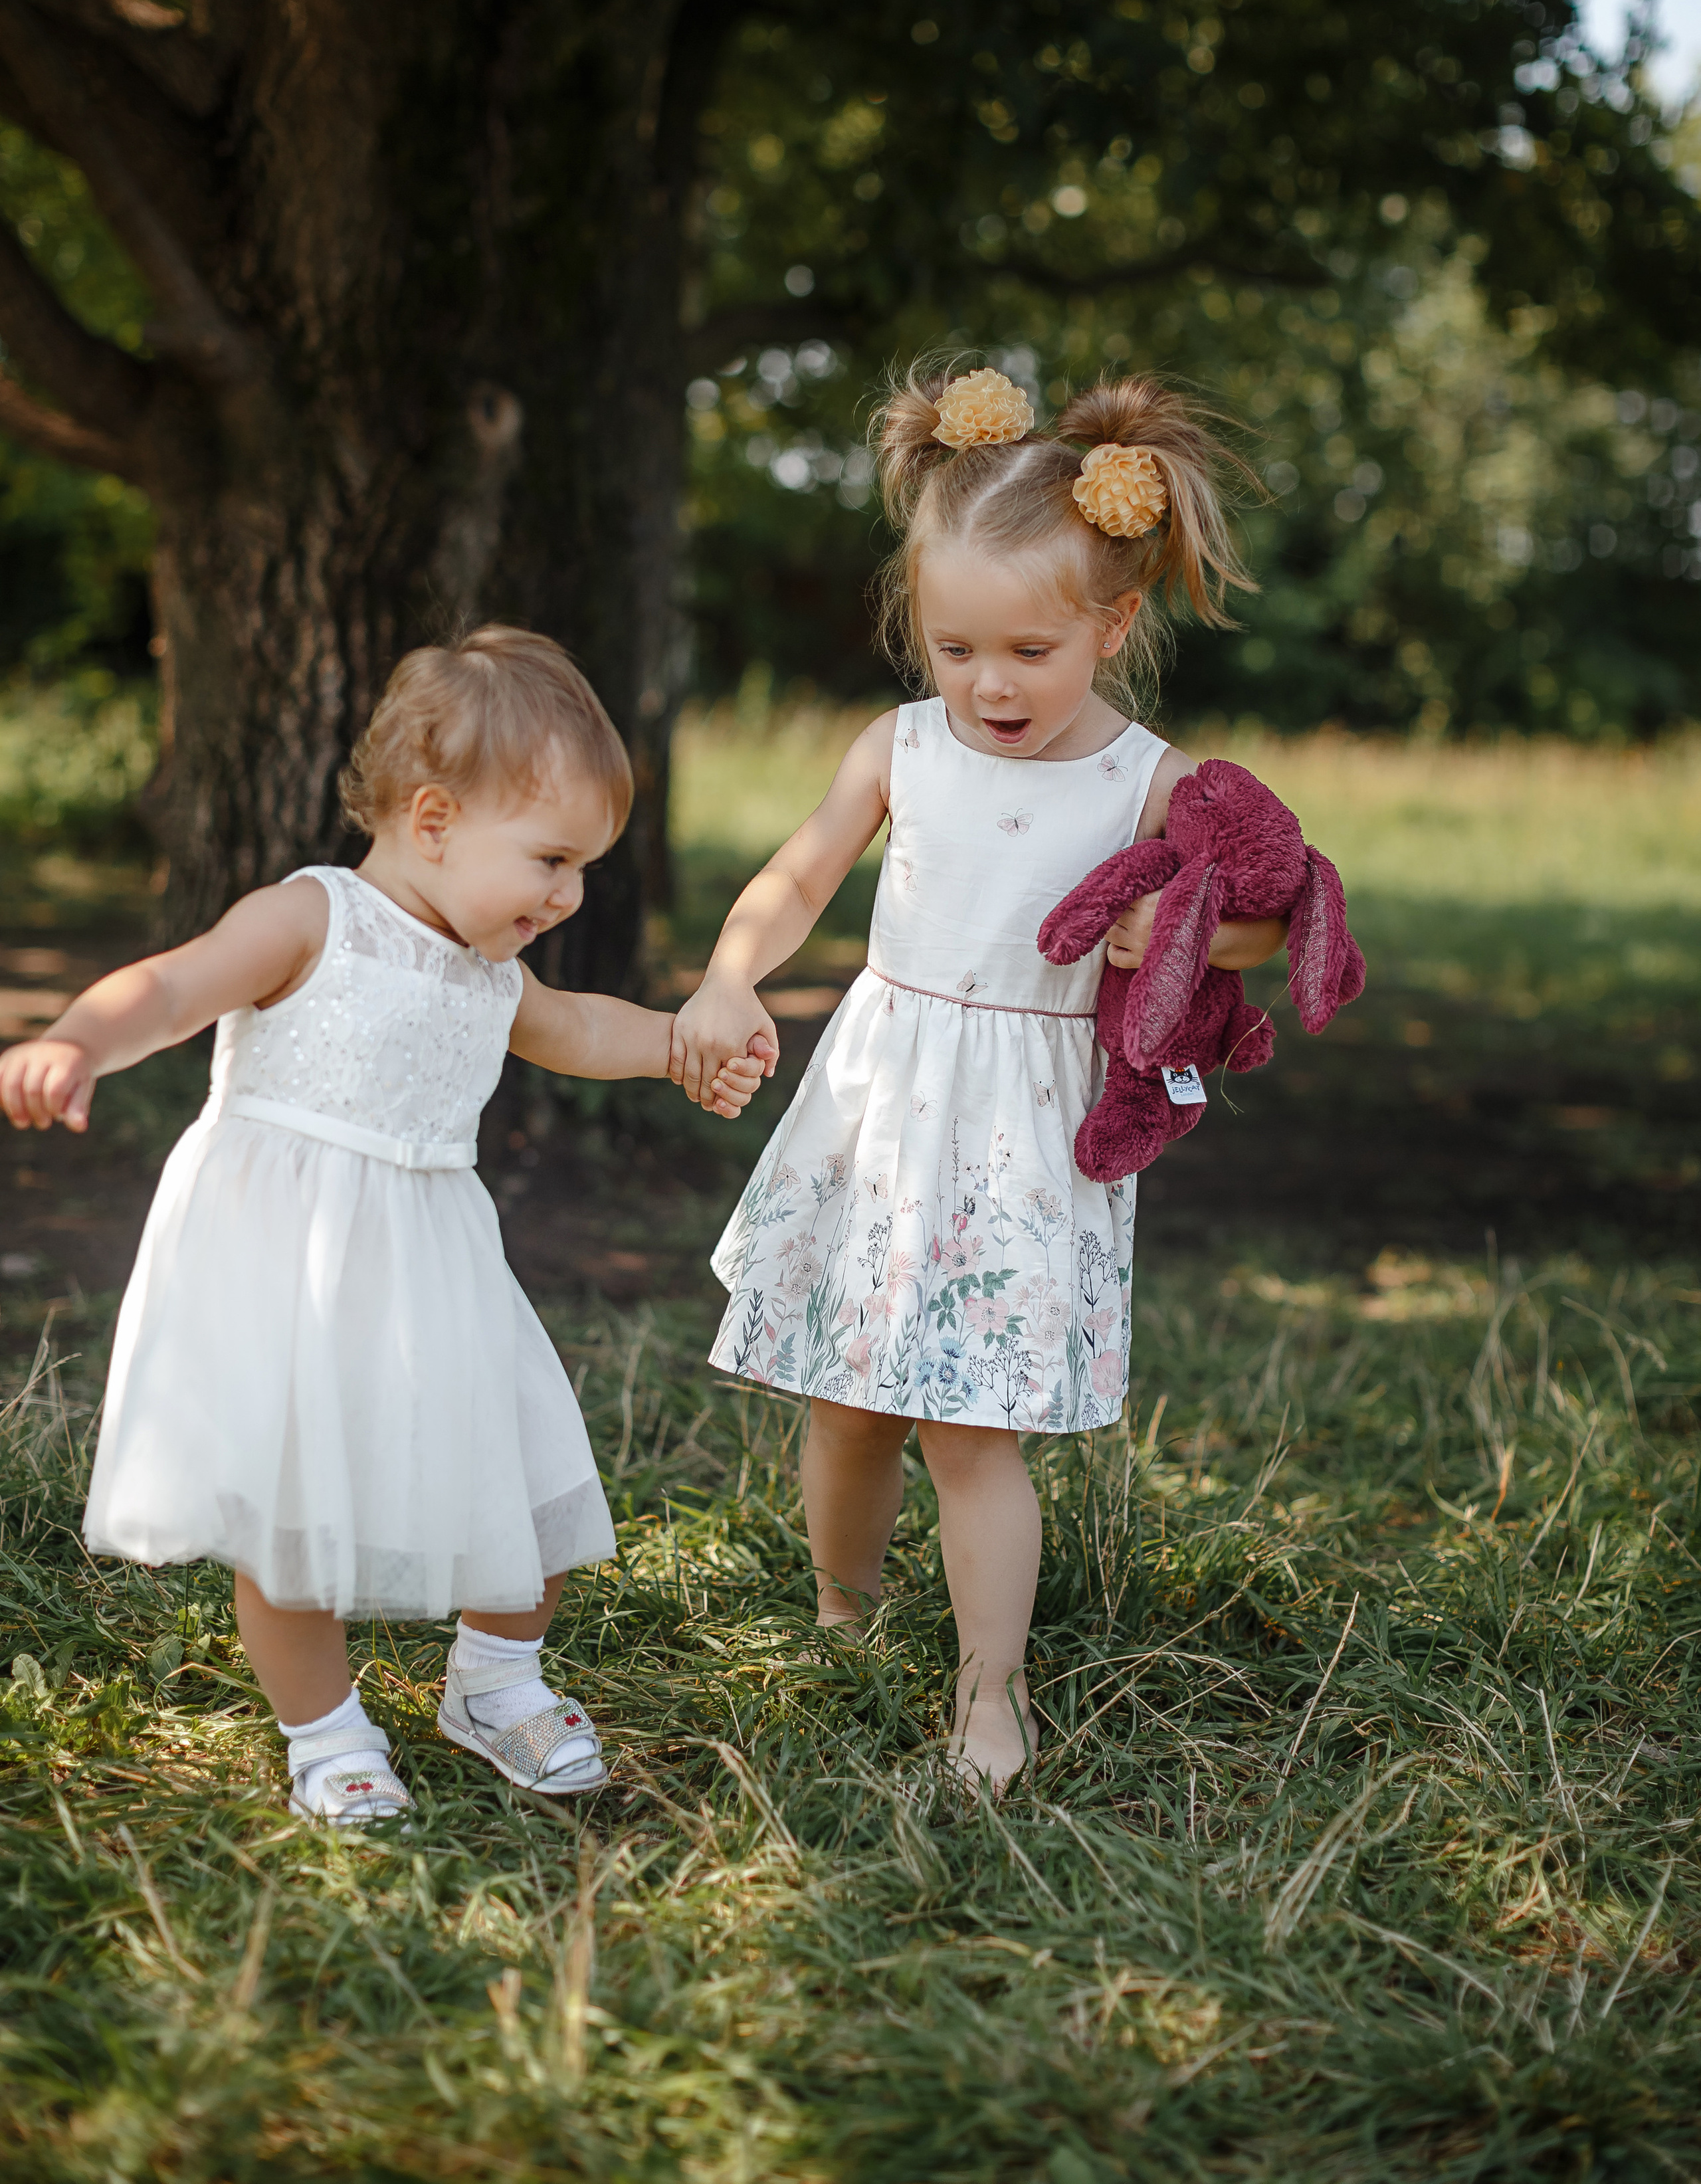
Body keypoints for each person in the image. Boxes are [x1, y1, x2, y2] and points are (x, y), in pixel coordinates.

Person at [0, 627, 764, 1823]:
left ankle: (497, 1682)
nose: (568, 895)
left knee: (528, 1479)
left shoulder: (490, 970)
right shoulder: (314, 919)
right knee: (295, 1524)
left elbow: (576, 1027)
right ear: (435, 819)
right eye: (552, 859)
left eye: (583, 868)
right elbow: (174, 985)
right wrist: (77, 1042)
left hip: (436, 1264)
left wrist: (678, 1047)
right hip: (291, 1267)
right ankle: (327, 1733)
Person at [670, 365, 1291, 1790]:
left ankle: (989, 1695)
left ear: (1110, 626)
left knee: (969, 1427)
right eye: (953, 648)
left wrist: (1179, 927)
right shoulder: (897, 747)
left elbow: (1261, 918)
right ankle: (842, 1620)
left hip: (1021, 1131)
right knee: (848, 1402)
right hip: (884, 1108)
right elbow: (798, 876)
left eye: (1027, 649)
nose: (988, 683)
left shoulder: (1145, 780)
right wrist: (727, 976)